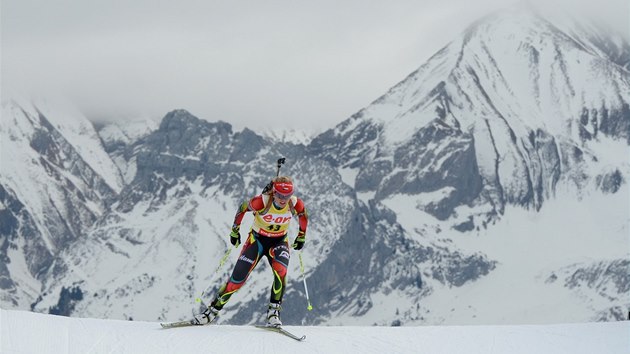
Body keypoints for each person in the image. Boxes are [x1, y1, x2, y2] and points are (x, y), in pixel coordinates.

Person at [193, 176, 309, 327]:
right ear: (274, 192)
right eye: (280, 195)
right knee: (237, 280)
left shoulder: (294, 203)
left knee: (281, 272)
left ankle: (273, 313)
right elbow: (242, 208)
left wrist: (301, 236)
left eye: (287, 196)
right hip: (257, 241)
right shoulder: (262, 201)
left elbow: (303, 215)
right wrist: (235, 231)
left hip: (279, 241)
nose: (283, 199)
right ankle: (211, 312)